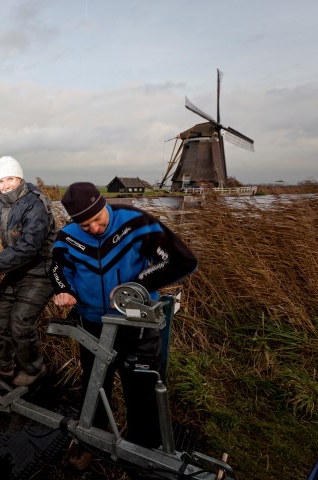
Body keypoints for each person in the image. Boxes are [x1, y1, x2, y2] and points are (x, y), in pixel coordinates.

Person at [50, 182, 198, 470]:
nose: (93, 229)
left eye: (96, 220)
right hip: (91, 323)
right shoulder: (67, 237)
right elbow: (57, 269)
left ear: (104, 205)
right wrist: (63, 289)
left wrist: (137, 285)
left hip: (137, 324)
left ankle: (144, 454)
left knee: (140, 388)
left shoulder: (136, 222)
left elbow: (182, 260)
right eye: (84, 225)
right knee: (94, 384)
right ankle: (91, 440)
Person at [0, 156, 57, 387]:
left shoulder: (36, 203)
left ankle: (34, 369)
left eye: (10, 178)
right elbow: (12, 244)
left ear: (20, 177)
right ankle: (4, 365)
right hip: (16, 269)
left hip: (41, 270)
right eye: (0, 181)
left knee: (20, 321)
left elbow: (30, 246)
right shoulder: (0, 204)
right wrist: (2, 265)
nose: (6, 185)